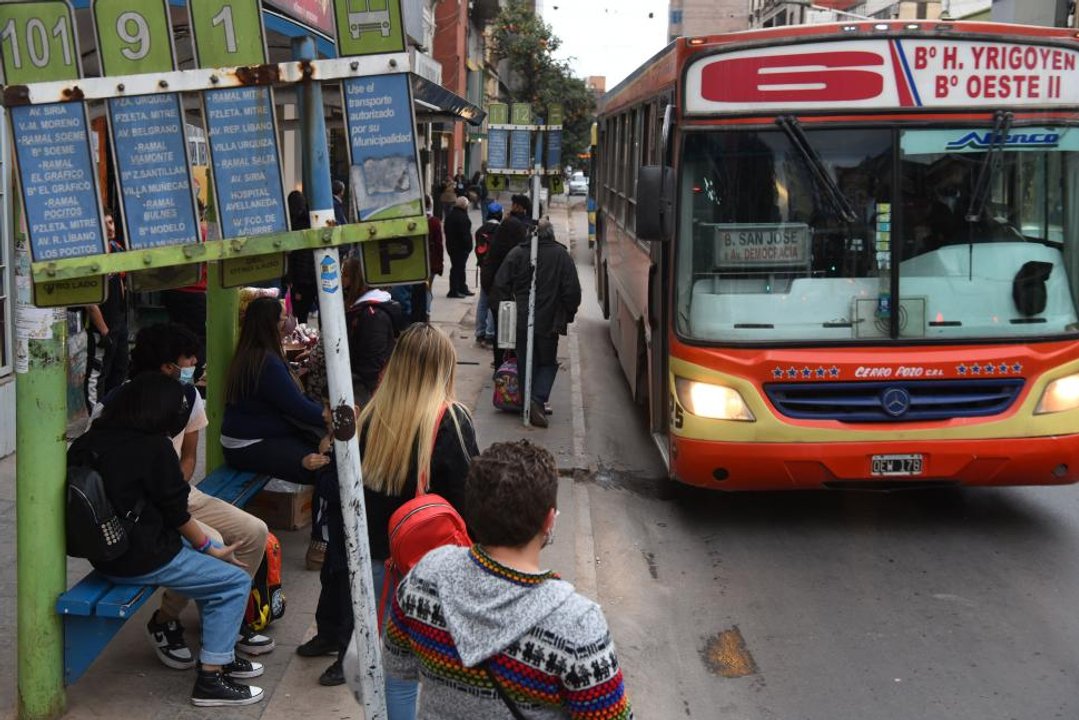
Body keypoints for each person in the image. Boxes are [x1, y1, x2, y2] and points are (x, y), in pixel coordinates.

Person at [380, 440, 633, 719]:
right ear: (549, 521)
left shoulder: (426, 577)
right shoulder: (578, 625)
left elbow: (396, 665)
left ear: (470, 511)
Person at [69, 374, 264, 707]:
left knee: (215, 562)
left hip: (106, 549)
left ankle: (222, 650)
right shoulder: (154, 447)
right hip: (142, 556)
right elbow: (179, 515)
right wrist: (210, 548)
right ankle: (211, 679)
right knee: (231, 581)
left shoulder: (89, 441)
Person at [307, 323, 478, 702]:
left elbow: (345, 494)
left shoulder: (367, 419)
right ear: (443, 369)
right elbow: (469, 500)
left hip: (372, 566)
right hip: (427, 568)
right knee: (422, 673)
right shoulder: (450, 421)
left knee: (387, 666)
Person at [104, 324, 273, 668]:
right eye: (189, 358)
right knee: (209, 545)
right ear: (167, 366)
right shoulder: (118, 402)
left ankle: (227, 616)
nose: (196, 363)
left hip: (182, 494)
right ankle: (166, 620)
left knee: (254, 532)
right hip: (138, 508)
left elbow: (189, 457)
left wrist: (175, 487)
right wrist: (166, 499)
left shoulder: (190, 397)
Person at [495, 218, 582, 428]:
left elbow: (499, 285)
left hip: (522, 320)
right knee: (547, 362)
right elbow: (572, 292)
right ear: (551, 234)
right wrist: (566, 313)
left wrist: (509, 310)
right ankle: (537, 400)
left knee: (526, 361)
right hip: (549, 321)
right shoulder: (561, 255)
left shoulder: (517, 253)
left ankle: (529, 402)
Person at [84, 211, 130, 412]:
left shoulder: (116, 249)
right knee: (98, 374)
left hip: (119, 322)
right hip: (101, 327)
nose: (110, 228)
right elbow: (89, 301)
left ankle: (114, 414)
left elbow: (120, 281)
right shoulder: (91, 256)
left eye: (111, 222)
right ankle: (96, 420)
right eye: (104, 225)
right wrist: (104, 331)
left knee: (120, 370)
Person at [482, 193, 532, 369]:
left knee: (502, 334)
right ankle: (511, 366)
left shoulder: (510, 226)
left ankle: (501, 368)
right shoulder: (527, 229)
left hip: (501, 292)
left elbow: (491, 261)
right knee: (514, 334)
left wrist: (488, 289)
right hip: (516, 294)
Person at [342, 258, 402, 406]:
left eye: (344, 275)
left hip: (368, 394)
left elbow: (371, 364)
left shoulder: (373, 316)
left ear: (356, 279)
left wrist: (362, 395)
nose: (340, 279)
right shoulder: (363, 309)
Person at [410, 195, 444, 323]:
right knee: (427, 289)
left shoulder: (413, 221)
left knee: (417, 290)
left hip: (414, 262)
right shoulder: (434, 222)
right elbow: (439, 245)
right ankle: (426, 313)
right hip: (430, 262)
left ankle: (418, 314)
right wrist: (439, 263)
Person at [473, 202, 502, 346]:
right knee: (493, 303)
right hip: (496, 271)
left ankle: (480, 333)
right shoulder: (501, 230)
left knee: (483, 302)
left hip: (484, 270)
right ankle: (490, 334)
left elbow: (478, 251)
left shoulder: (480, 231)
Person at [287, 190, 318, 323]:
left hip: (300, 277)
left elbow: (294, 257)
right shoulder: (312, 221)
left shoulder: (293, 224)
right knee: (304, 311)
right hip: (313, 274)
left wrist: (290, 278)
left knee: (298, 312)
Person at [444, 196, 474, 298]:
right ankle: (454, 290)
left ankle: (462, 287)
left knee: (460, 268)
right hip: (460, 248)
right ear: (464, 206)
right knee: (457, 268)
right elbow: (465, 235)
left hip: (452, 247)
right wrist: (468, 246)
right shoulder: (462, 217)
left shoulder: (451, 215)